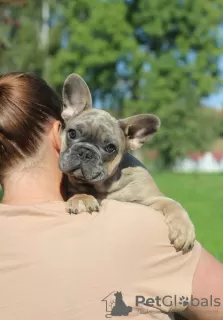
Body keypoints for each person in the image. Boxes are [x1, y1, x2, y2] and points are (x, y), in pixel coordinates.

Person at [0, 72, 222, 320]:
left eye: (107, 148)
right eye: (73, 135)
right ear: (57, 132)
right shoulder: (146, 231)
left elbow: (156, 200)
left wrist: (173, 211)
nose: (85, 154)